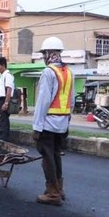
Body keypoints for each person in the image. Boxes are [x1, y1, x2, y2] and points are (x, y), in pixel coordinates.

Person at [33, 36, 74, 206]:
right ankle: (59, 188)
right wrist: (67, 123)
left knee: (47, 158)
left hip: (48, 124)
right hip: (62, 123)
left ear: (48, 54)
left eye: (44, 53)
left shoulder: (48, 72)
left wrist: (37, 127)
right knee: (56, 155)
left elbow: (42, 101)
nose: (44, 56)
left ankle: (53, 194)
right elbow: (71, 101)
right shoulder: (69, 72)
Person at [0, 57, 15, 141]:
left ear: (3, 65)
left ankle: (3, 139)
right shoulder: (1, 75)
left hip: (3, 100)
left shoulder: (8, 75)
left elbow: (9, 89)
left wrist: (6, 103)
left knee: (3, 121)